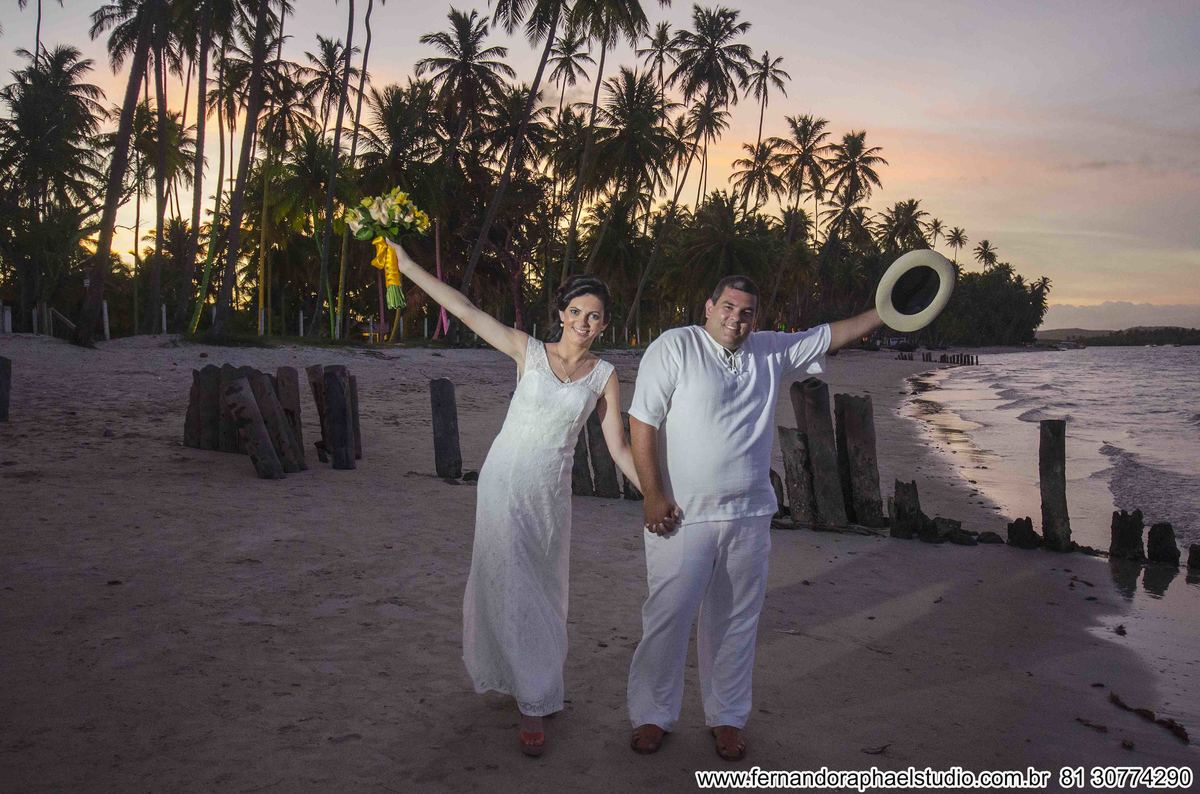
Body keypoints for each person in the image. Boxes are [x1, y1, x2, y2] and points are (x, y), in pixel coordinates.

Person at [386, 240, 641, 757]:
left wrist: (656, 494)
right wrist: (407, 265)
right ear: (562, 314)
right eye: (576, 313)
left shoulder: (605, 376)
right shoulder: (527, 351)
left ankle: (534, 679)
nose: (583, 323)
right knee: (508, 581)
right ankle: (532, 701)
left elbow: (617, 446)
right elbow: (464, 308)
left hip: (549, 495)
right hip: (502, 484)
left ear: (605, 324)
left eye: (594, 318)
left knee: (544, 591)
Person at [625, 274, 883, 762]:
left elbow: (834, 333)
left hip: (750, 513)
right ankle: (652, 715)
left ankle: (726, 718)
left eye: (745, 312)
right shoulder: (675, 346)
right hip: (683, 515)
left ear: (755, 318)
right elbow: (643, 420)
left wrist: (887, 311)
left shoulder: (769, 349)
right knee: (668, 618)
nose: (735, 319)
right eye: (727, 307)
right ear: (708, 306)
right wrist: (652, 494)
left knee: (736, 621)